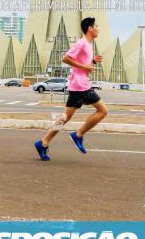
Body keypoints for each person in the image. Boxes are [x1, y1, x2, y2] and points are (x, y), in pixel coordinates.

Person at [34, 17, 107, 161]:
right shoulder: (82, 43)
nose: (98, 29)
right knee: (103, 111)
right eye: (96, 26)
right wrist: (85, 66)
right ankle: (78, 134)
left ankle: (43, 143)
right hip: (80, 86)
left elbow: (81, 64)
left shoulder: (88, 45)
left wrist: (92, 62)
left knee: (64, 118)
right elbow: (66, 58)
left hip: (77, 85)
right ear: (90, 29)